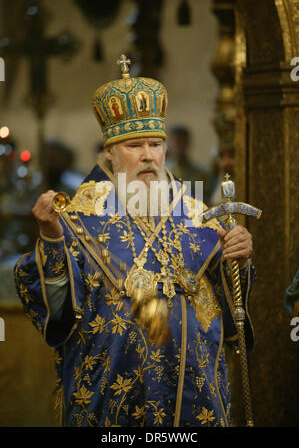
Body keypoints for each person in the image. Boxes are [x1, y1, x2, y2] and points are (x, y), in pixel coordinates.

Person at [14, 55, 255, 427]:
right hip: (109, 395)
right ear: (109, 152)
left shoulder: (196, 213)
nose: (148, 156)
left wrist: (236, 262)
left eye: (155, 144)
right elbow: (57, 314)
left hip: (194, 397)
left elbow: (229, 310)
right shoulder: (76, 218)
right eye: (134, 146)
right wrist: (50, 239)